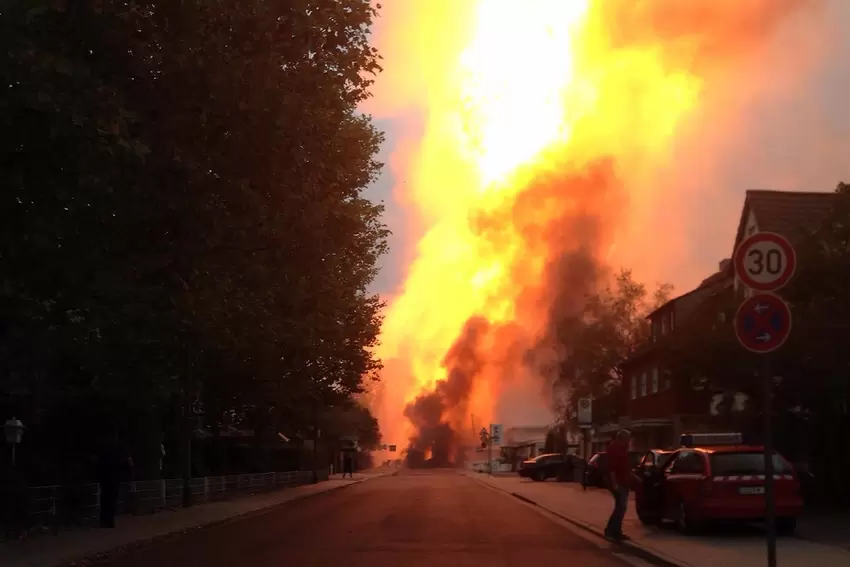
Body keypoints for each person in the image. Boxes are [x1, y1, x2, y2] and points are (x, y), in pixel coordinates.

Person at [96, 429, 133, 528]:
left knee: (104, 497)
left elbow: (98, 459)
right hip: (116, 476)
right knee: (112, 498)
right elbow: (128, 461)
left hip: (104, 475)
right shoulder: (123, 446)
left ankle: (103, 519)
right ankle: (109, 520)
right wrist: (129, 474)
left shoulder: (104, 445)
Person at [604, 429, 632, 542]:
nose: (630, 441)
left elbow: (624, 467)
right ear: (623, 439)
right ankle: (614, 531)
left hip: (623, 482)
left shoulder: (622, 449)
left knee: (620, 507)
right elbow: (612, 469)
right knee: (621, 507)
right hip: (618, 483)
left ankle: (612, 530)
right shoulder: (615, 450)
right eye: (628, 439)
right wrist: (615, 483)